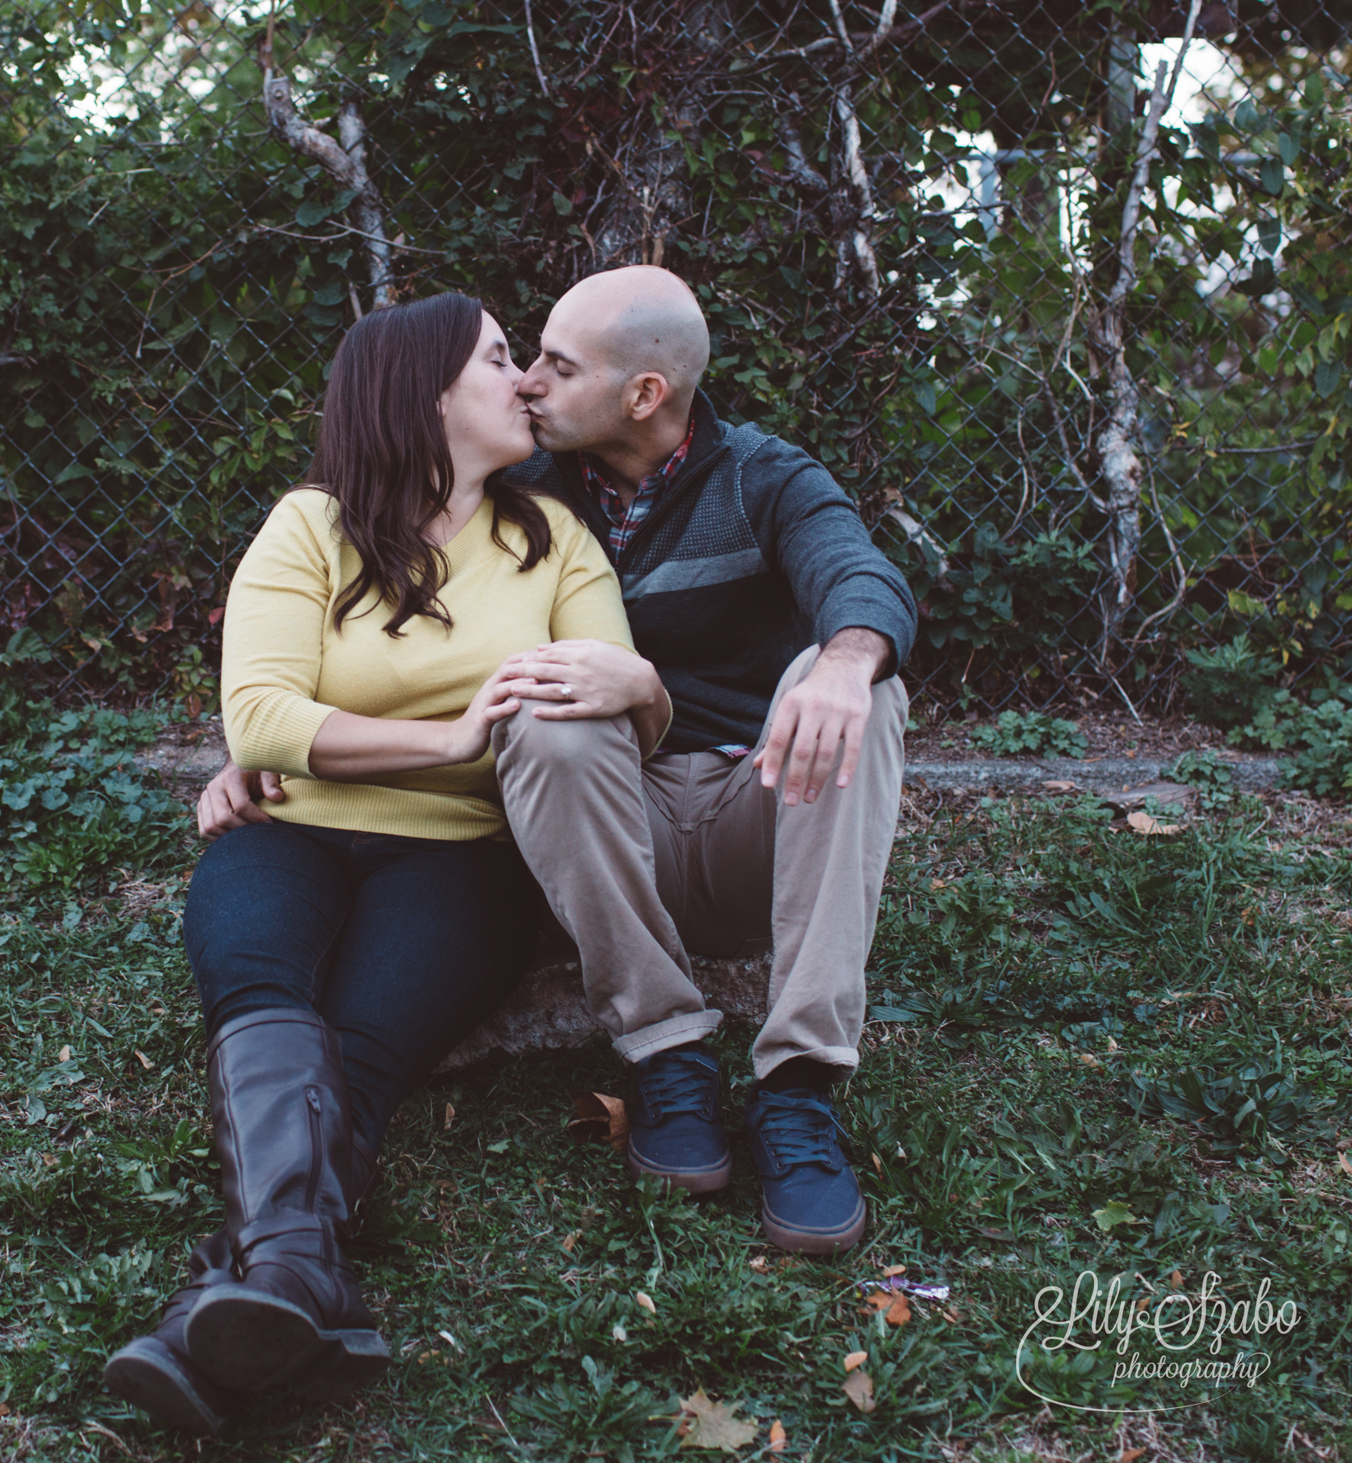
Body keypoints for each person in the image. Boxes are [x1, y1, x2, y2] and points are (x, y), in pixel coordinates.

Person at [200, 266, 916, 1257]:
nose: (528, 380)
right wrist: (264, 746)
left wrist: (838, 661)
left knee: (863, 680)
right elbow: (306, 660)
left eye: (552, 364)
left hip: (750, 794)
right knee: (543, 703)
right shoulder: (519, 484)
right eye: (513, 359)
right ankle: (665, 1054)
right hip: (602, 814)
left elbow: (855, 567)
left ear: (643, 396)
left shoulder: (746, 481)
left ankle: (796, 1084)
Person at [105, 293, 668, 1435]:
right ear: (423, 393)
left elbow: (599, 694)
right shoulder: (310, 526)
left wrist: (628, 685)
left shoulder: (551, 540)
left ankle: (226, 1306)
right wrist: (450, 735)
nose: (523, 381)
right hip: (291, 828)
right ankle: (297, 1283)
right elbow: (260, 719)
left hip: (460, 854)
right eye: (500, 359)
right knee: (259, 991)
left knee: (358, 1050)